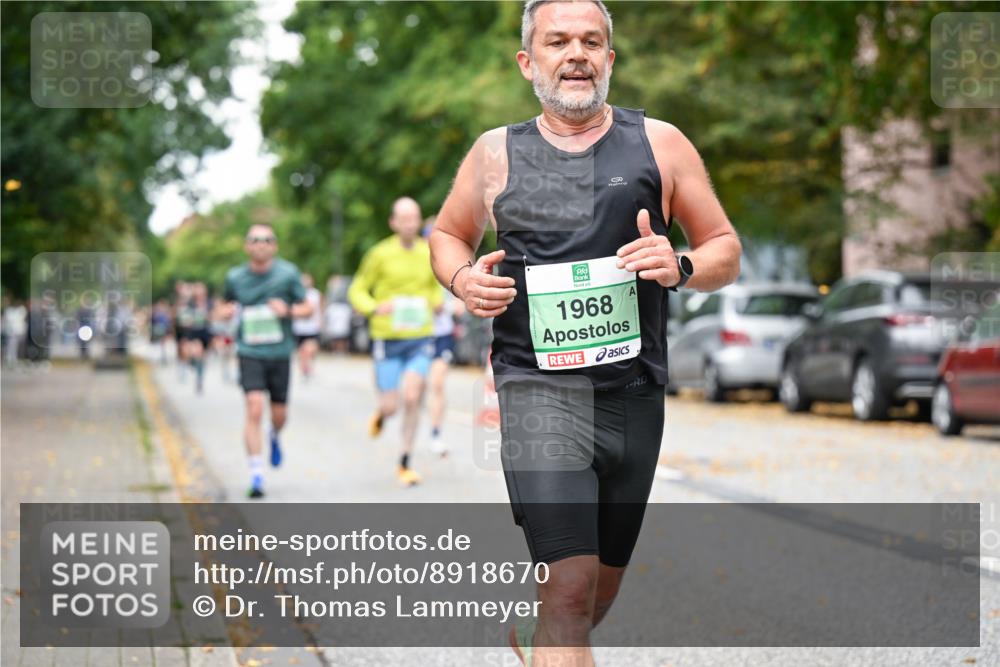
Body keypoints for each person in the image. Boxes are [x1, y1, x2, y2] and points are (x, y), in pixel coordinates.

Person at [429, 2, 742, 665]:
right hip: (538, 392)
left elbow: (724, 247)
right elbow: (447, 233)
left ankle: (536, 631)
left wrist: (681, 265)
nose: (576, 53)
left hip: (633, 395)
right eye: (558, 41)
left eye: (591, 42)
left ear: (609, 60)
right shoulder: (495, 154)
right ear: (528, 61)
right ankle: (552, 625)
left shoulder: (661, 144)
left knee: (594, 594)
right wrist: (461, 279)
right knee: (569, 591)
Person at [348, 197, 443, 487]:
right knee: (392, 406)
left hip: (419, 336)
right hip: (387, 338)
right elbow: (358, 289)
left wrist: (436, 303)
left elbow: (435, 289)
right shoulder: (379, 254)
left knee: (413, 396)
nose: (410, 223)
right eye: (404, 218)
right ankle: (382, 413)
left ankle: (404, 461)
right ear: (393, 222)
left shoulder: (429, 252)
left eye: (414, 218)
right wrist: (374, 307)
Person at [216, 224, 312, 499]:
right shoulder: (235, 277)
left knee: (279, 415)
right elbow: (220, 308)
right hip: (249, 351)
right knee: (254, 406)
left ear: (275, 246)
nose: (260, 244)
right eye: (255, 240)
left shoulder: (288, 273)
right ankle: (256, 474)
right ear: (247, 246)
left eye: (266, 240)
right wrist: (227, 311)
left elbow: (308, 308)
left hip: (280, 353)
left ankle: (274, 433)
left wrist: (289, 310)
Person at [422, 219, 464, 457]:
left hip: (442, 335)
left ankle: (436, 434)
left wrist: (450, 307)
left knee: (437, 384)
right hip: (416, 335)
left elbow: (460, 301)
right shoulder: (415, 267)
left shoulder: (449, 264)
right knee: (416, 389)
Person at [292, 273, 323, 380]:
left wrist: (321, 321)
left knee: (310, 349)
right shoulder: (295, 294)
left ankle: (308, 365)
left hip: (312, 327)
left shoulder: (315, 294)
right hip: (299, 327)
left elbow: (320, 308)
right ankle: (304, 368)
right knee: (302, 350)